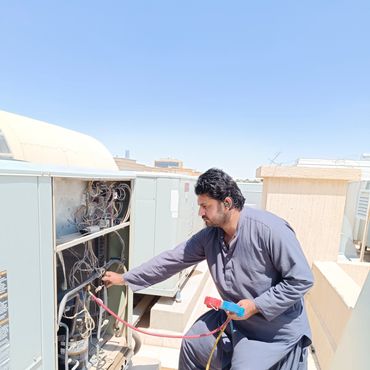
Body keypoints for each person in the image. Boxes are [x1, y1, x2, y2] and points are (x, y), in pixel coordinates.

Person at [102, 168, 314, 370]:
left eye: (206, 206)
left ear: (227, 203)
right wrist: (126, 278)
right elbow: (171, 260)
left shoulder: (270, 230)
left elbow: (301, 280)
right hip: (234, 320)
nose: (200, 213)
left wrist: (256, 306)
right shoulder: (210, 236)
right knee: (192, 346)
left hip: (273, 331)